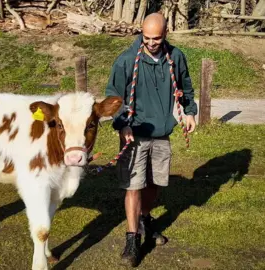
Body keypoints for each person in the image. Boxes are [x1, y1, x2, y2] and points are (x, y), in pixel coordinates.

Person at [104, 13, 197, 267]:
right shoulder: (126, 60)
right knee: (133, 186)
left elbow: (186, 88)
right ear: (141, 33)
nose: (151, 43)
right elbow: (113, 96)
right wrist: (122, 125)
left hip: (162, 134)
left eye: (156, 38)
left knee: (154, 183)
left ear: (165, 33)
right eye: (147, 38)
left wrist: (189, 111)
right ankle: (132, 239)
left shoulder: (175, 57)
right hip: (134, 134)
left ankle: (146, 220)